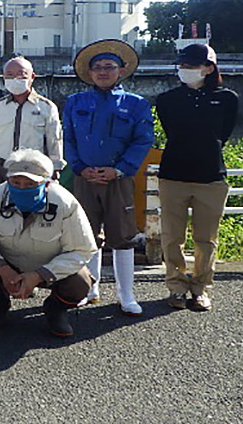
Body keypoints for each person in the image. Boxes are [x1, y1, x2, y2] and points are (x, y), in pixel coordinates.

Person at [0, 149, 97, 337]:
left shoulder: (66, 203)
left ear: (45, 183)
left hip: (49, 268)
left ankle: (55, 310)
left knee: (80, 282)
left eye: (30, 183)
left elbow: (81, 251)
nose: (22, 187)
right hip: (7, 265)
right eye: (15, 182)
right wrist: (2, 269)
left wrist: (39, 275)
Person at [63, 39, 154, 315]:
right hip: (85, 177)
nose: (103, 72)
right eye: (97, 67)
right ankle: (89, 289)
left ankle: (126, 294)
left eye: (109, 67)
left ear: (122, 70)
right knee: (85, 234)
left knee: (123, 236)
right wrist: (79, 167)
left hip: (119, 178)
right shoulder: (75, 102)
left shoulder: (136, 104)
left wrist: (120, 168)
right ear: (89, 73)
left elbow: (142, 141)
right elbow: (67, 138)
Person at [156, 44, 238, 312]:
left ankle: (201, 288)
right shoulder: (167, 99)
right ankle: (176, 287)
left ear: (208, 68)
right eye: (182, 66)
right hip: (173, 175)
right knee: (172, 236)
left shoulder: (227, 98)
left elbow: (222, 134)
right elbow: (171, 131)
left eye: (191, 66)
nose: (185, 71)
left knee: (206, 238)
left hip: (211, 176)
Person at [0, 56, 64, 191]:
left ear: (32, 77)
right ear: (3, 77)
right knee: (0, 208)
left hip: (34, 168)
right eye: (10, 75)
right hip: (1, 168)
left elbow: (54, 142)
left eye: (21, 75)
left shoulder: (46, 107)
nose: (15, 79)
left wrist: (55, 171)